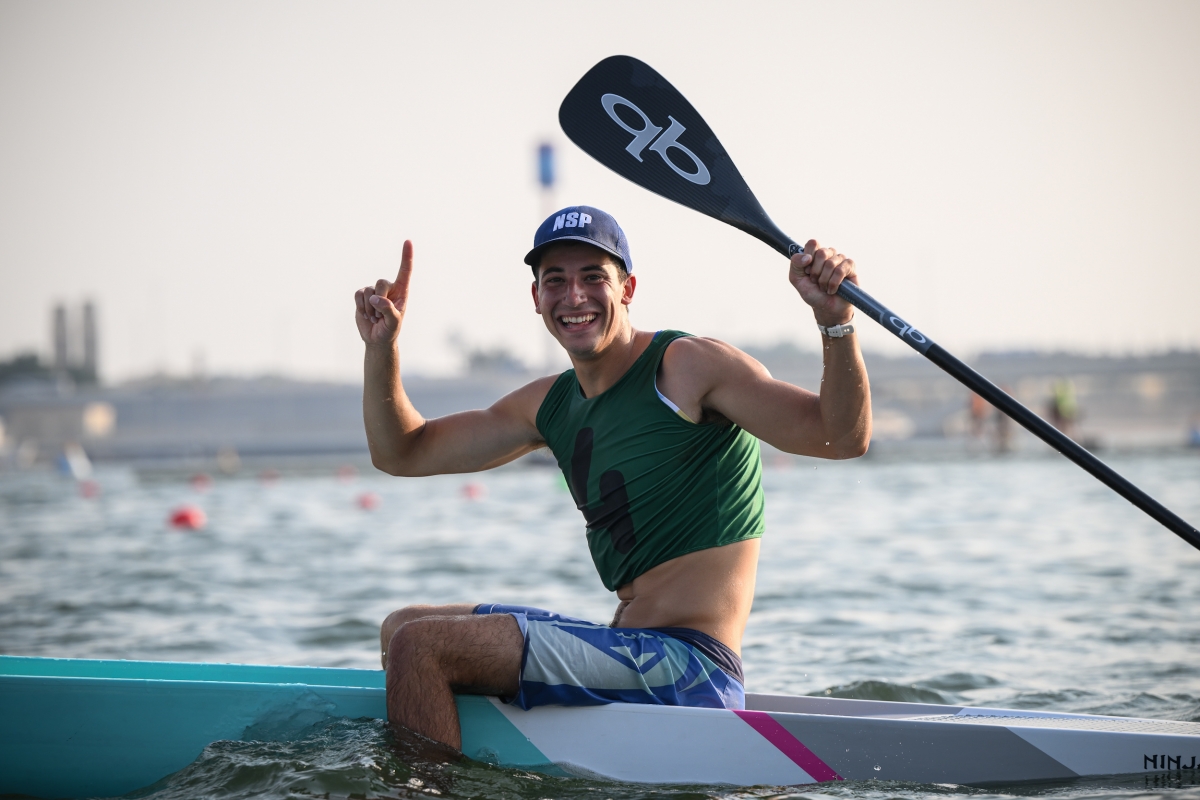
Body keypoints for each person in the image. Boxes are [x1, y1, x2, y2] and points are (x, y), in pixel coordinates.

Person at [355, 206, 871, 750]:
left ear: (627, 288)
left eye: (593, 278)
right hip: (625, 647)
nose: (573, 296)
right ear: (536, 299)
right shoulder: (549, 403)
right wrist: (382, 349)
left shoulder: (689, 368)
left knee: (424, 647)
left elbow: (840, 437)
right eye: (555, 281)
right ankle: (460, 759)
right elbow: (403, 453)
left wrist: (835, 324)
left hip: (692, 669)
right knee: (401, 628)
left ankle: (426, 781)